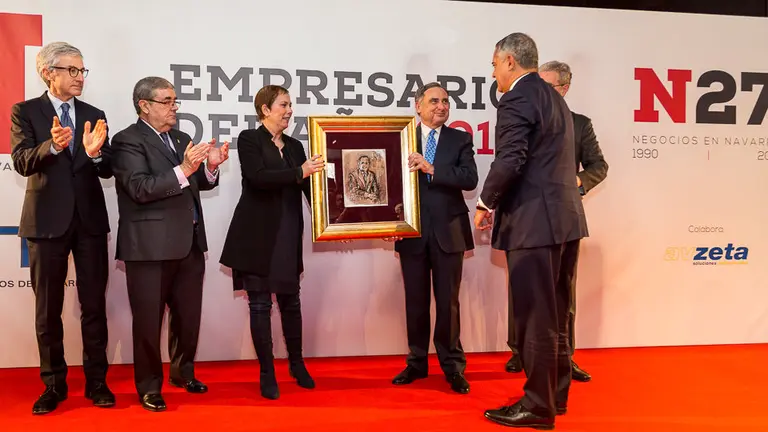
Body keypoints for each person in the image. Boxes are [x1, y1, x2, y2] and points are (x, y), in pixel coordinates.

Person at [475, 33, 589, 429]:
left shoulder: (518, 97)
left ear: (509, 61)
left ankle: (538, 407)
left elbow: (511, 158)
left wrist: (486, 201)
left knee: (536, 317)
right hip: (564, 222)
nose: (493, 74)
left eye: (493, 65)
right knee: (555, 314)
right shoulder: (554, 97)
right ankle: (555, 396)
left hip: (534, 224)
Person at [111, 76, 229, 412]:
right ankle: (149, 386)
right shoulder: (126, 141)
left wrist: (208, 170)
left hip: (189, 243)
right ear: (144, 106)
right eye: (167, 101)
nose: (174, 107)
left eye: (175, 101)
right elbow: (140, 188)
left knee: (187, 318)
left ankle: (183, 373)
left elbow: (193, 185)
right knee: (148, 321)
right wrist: (185, 167)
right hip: (148, 248)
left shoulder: (181, 138)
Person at [10, 41, 114, 415]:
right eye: (72, 70)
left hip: (88, 222)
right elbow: (22, 162)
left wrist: (95, 152)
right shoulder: (25, 112)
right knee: (47, 310)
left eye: (83, 70)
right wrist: (51, 148)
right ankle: (53, 385)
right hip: (46, 223)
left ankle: (97, 382)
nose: (80, 77)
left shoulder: (93, 113)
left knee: (94, 306)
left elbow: (107, 168)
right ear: (48, 72)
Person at [219, 85, 324, 400]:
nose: (289, 110)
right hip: (256, 235)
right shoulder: (250, 140)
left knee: (291, 302)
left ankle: (296, 363)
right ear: (265, 109)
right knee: (261, 304)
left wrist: (336, 218)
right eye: (283, 104)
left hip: (289, 232)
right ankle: (267, 371)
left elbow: (309, 190)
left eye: (291, 105)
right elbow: (258, 177)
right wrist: (299, 172)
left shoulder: (295, 146)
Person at [389, 82, 477, 395]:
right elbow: (388, 184)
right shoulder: (400, 138)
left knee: (448, 304)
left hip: (449, 233)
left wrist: (432, 168)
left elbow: (469, 180)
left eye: (445, 101)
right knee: (415, 303)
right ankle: (416, 363)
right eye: (434, 101)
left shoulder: (460, 139)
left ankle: (453, 367)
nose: (441, 106)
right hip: (411, 234)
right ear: (418, 106)